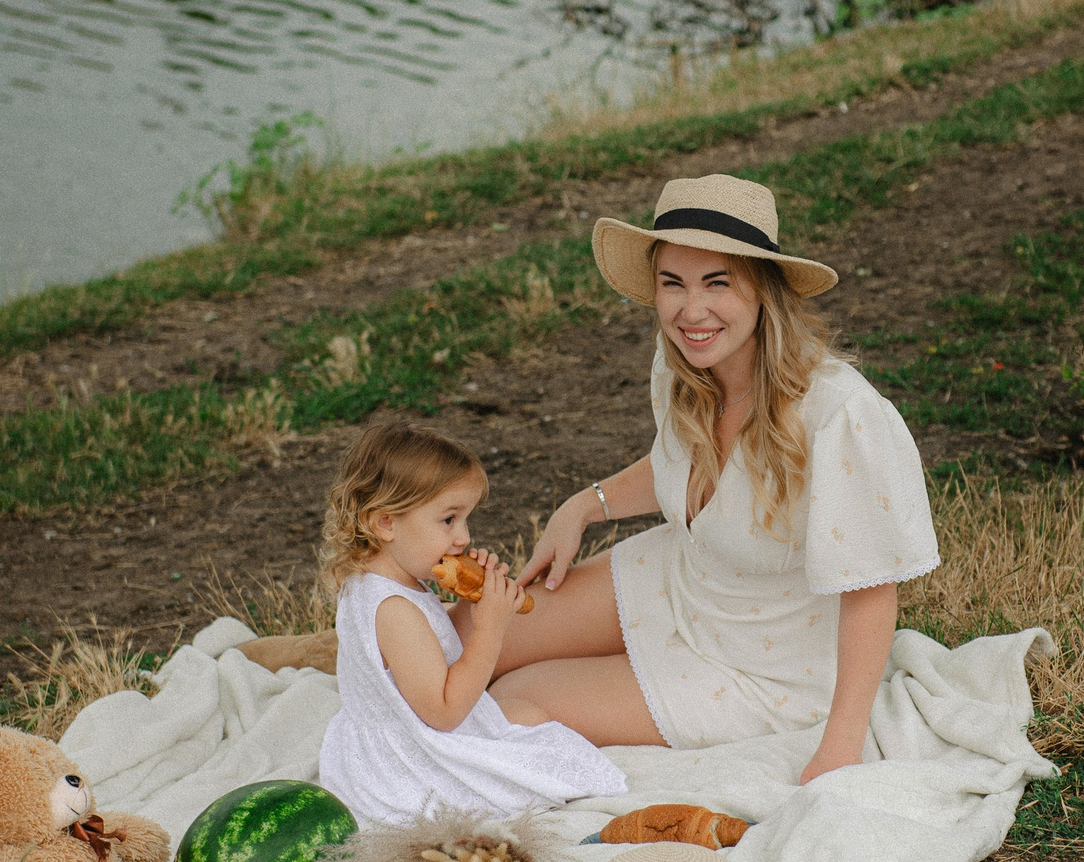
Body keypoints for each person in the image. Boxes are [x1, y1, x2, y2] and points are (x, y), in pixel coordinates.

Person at [489, 174, 939, 783]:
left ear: (763, 291)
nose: (690, 310)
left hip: (758, 666)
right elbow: (687, 469)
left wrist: (841, 741)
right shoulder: (685, 365)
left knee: (513, 704)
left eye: (716, 284)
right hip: (679, 580)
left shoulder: (838, 415)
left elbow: (870, 590)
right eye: (672, 283)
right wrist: (585, 505)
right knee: (472, 637)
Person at [312, 423, 626, 826]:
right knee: (543, 743)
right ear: (385, 523)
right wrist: (489, 630)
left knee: (528, 716)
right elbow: (445, 712)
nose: (463, 536)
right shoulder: (394, 610)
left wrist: (468, 598)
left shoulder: (381, 581)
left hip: (390, 738)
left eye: (465, 519)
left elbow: (426, 650)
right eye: (448, 520)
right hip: (408, 762)